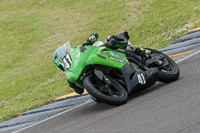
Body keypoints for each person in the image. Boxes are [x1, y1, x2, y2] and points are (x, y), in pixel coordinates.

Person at [53, 31, 153, 95]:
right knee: (96, 99)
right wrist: (73, 85)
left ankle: (140, 51)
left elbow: (92, 40)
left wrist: (90, 39)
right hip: (105, 87)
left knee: (111, 39)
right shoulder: (71, 77)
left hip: (106, 54)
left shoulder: (79, 51)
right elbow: (80, 91)